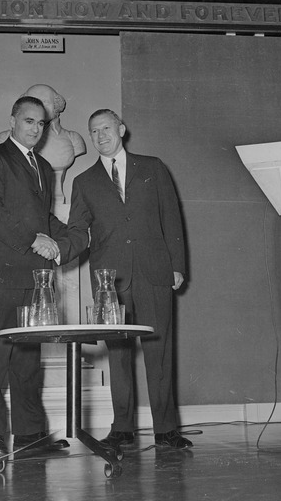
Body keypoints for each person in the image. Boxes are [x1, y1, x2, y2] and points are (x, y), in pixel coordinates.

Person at [57, 109, 192, 450]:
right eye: (94, 131)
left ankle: (165, 429)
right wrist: (57, 248)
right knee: (118, 354)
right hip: (110, 282)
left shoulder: (153, 168)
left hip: (154, 272)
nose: (100, 135)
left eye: (105, 128)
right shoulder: (84, 182)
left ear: (121, 128)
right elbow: (77, 230)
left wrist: (177, 266)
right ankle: (123, 427)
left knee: (159, 351)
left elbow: (171, 218)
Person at [0, 95, 69, 459]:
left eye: (41, 124)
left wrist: (72, 237)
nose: (36, 129)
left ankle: (30, 435)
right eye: (29, 121)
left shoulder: (43, 166)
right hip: (0, 274)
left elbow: (45, 222)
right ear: (12, 120)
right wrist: (33, 239)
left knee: (27, 360)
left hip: (35, 278)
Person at [0, 84, 87, 214]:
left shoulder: (73, 140)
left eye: (45, 102)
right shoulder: (0, 146)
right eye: (34, 101)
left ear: (56, 107)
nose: (39, 107)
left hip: (56, 210)